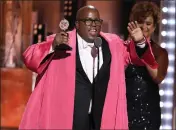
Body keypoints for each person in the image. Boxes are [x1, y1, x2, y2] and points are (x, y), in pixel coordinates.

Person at [19, 5, 158, 130]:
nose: (94, 25)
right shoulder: (62, 41)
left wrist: (140, 42)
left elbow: (134, 56)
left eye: (97, 21)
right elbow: (29, 57)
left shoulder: (112, 44)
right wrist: (53, 46)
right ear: (77, 24)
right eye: (89, 21)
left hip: (102, 119)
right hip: (69, 119)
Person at [125, 1, 169, 130]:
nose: (144, 27)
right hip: (125, 109)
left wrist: (142, 46)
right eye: (140, 22)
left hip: (149, 112)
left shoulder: (160, 52)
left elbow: (158, 78)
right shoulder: (123, 48)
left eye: (148, 23)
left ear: (154, 27)